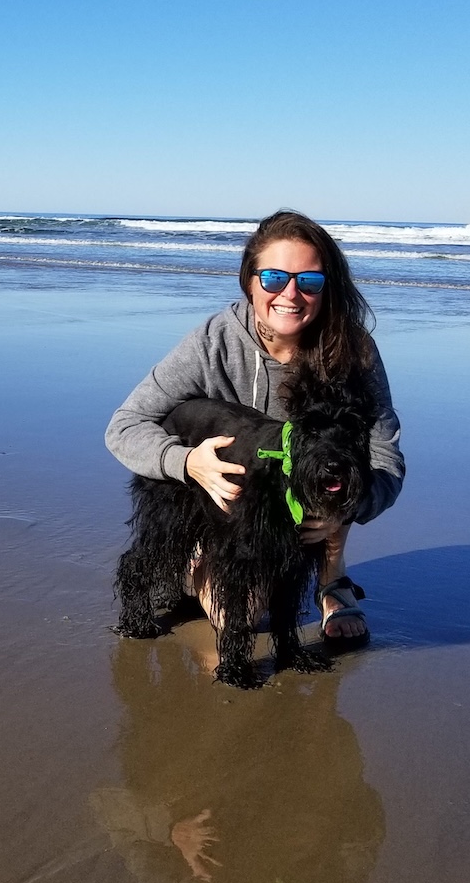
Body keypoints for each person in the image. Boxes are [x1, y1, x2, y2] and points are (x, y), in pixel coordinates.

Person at [104, 209, 404, 645]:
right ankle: (194, 558)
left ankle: (331, 579)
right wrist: (188, 462)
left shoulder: (352, 351)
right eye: (273, 278)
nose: (291, 294)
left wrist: (346, 511)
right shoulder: (214, 341)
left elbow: (385, 457)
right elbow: (125, 425)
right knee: (236, 613)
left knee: (336, 481)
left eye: (310, 281)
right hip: (231, 509)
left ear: (327, 287)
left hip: (313, 509)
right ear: (249, 280)